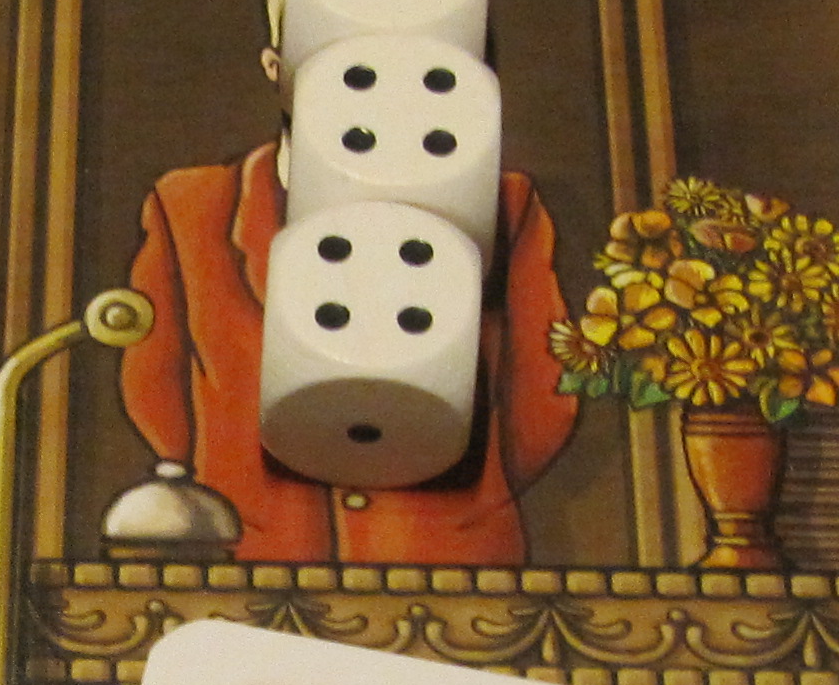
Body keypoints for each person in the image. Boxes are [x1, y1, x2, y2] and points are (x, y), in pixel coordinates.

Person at [122, 142, 579, 564]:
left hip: (445, 554)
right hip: (255, 551)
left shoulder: (507, 202)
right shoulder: (191, 203)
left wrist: (451, 483)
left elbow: (544, 397)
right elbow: (154, 385)